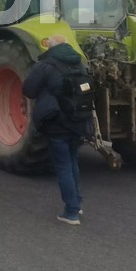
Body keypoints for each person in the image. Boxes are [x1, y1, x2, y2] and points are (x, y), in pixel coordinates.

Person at [22, 36, 92, 226]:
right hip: (79, 121)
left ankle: (71, 212)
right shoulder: (80, 63)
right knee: (72, 162)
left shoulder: (45, 65)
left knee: (63, 166)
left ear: (50, 47)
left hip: (56, 123)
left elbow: (28, 90)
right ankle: (77, 203)